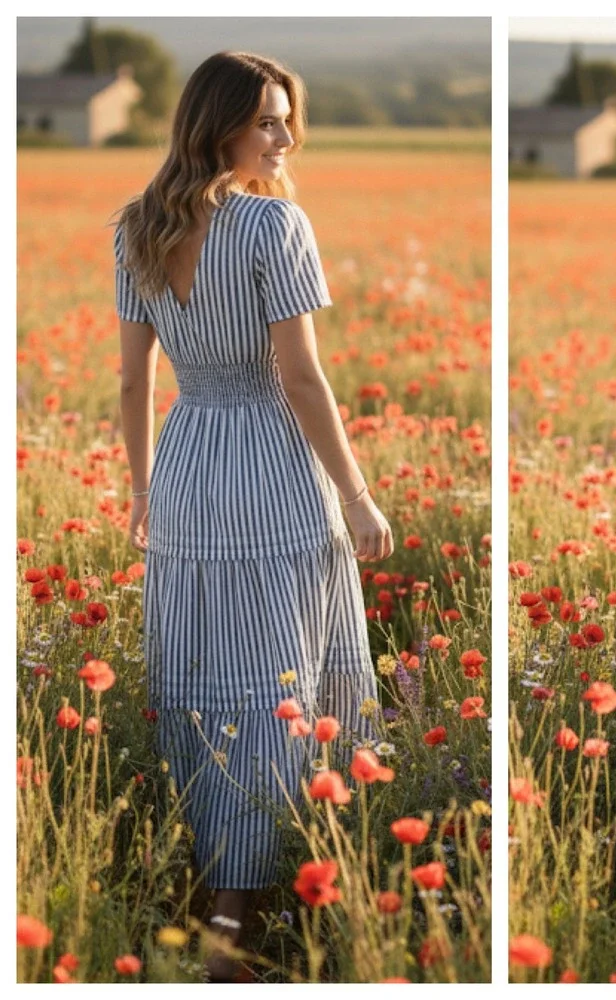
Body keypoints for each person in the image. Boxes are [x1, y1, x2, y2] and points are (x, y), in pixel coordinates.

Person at [112, 51, 393, 981]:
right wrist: (356, 494)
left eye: (287, 119)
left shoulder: (139, 226)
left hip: (191, 458)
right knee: (279, 677)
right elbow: (303, 377)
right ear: (220, 125)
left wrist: (145, 487)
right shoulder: (276, 224)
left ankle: (219, 890)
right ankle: (242, 914)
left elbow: (134, 378)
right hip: (272, 464)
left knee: (211, 675)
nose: (285, 138)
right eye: (268, 120)